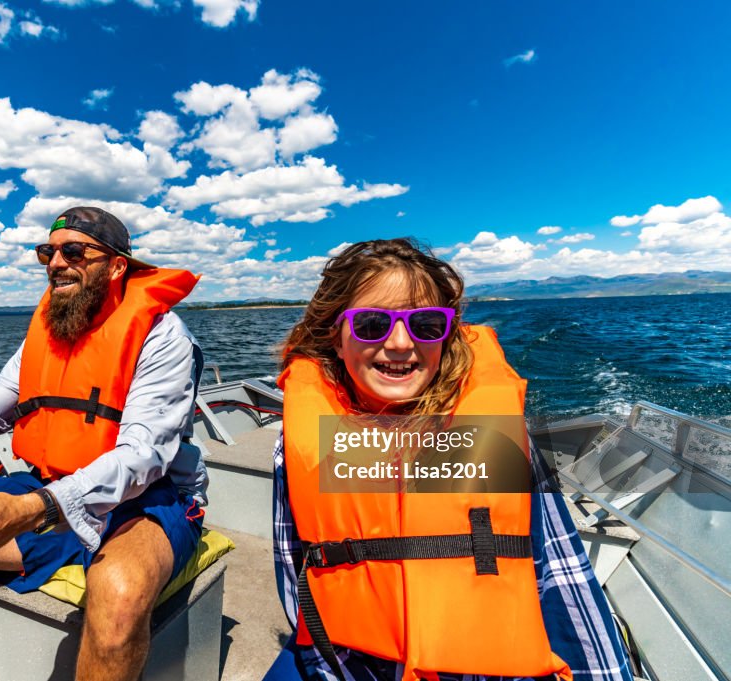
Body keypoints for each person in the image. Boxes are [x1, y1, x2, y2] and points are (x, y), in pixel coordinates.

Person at [264, 238, 633, 681]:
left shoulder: (488, 438)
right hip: (349, 661)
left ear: (446, 337)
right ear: (336, 339)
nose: (400, 343)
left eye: (424, 324)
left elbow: (559, 571)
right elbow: (296, 571)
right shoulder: (300, 444)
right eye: (371, 324)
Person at [0, 206, 208, 681]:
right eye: (47, 252)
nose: (56, 262)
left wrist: (31, 509)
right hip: (50, 485)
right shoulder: (46, 334)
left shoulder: (164, 337)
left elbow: (143, 456)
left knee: (119, 593)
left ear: (117, 265)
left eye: (74, 251)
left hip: (152, 500)